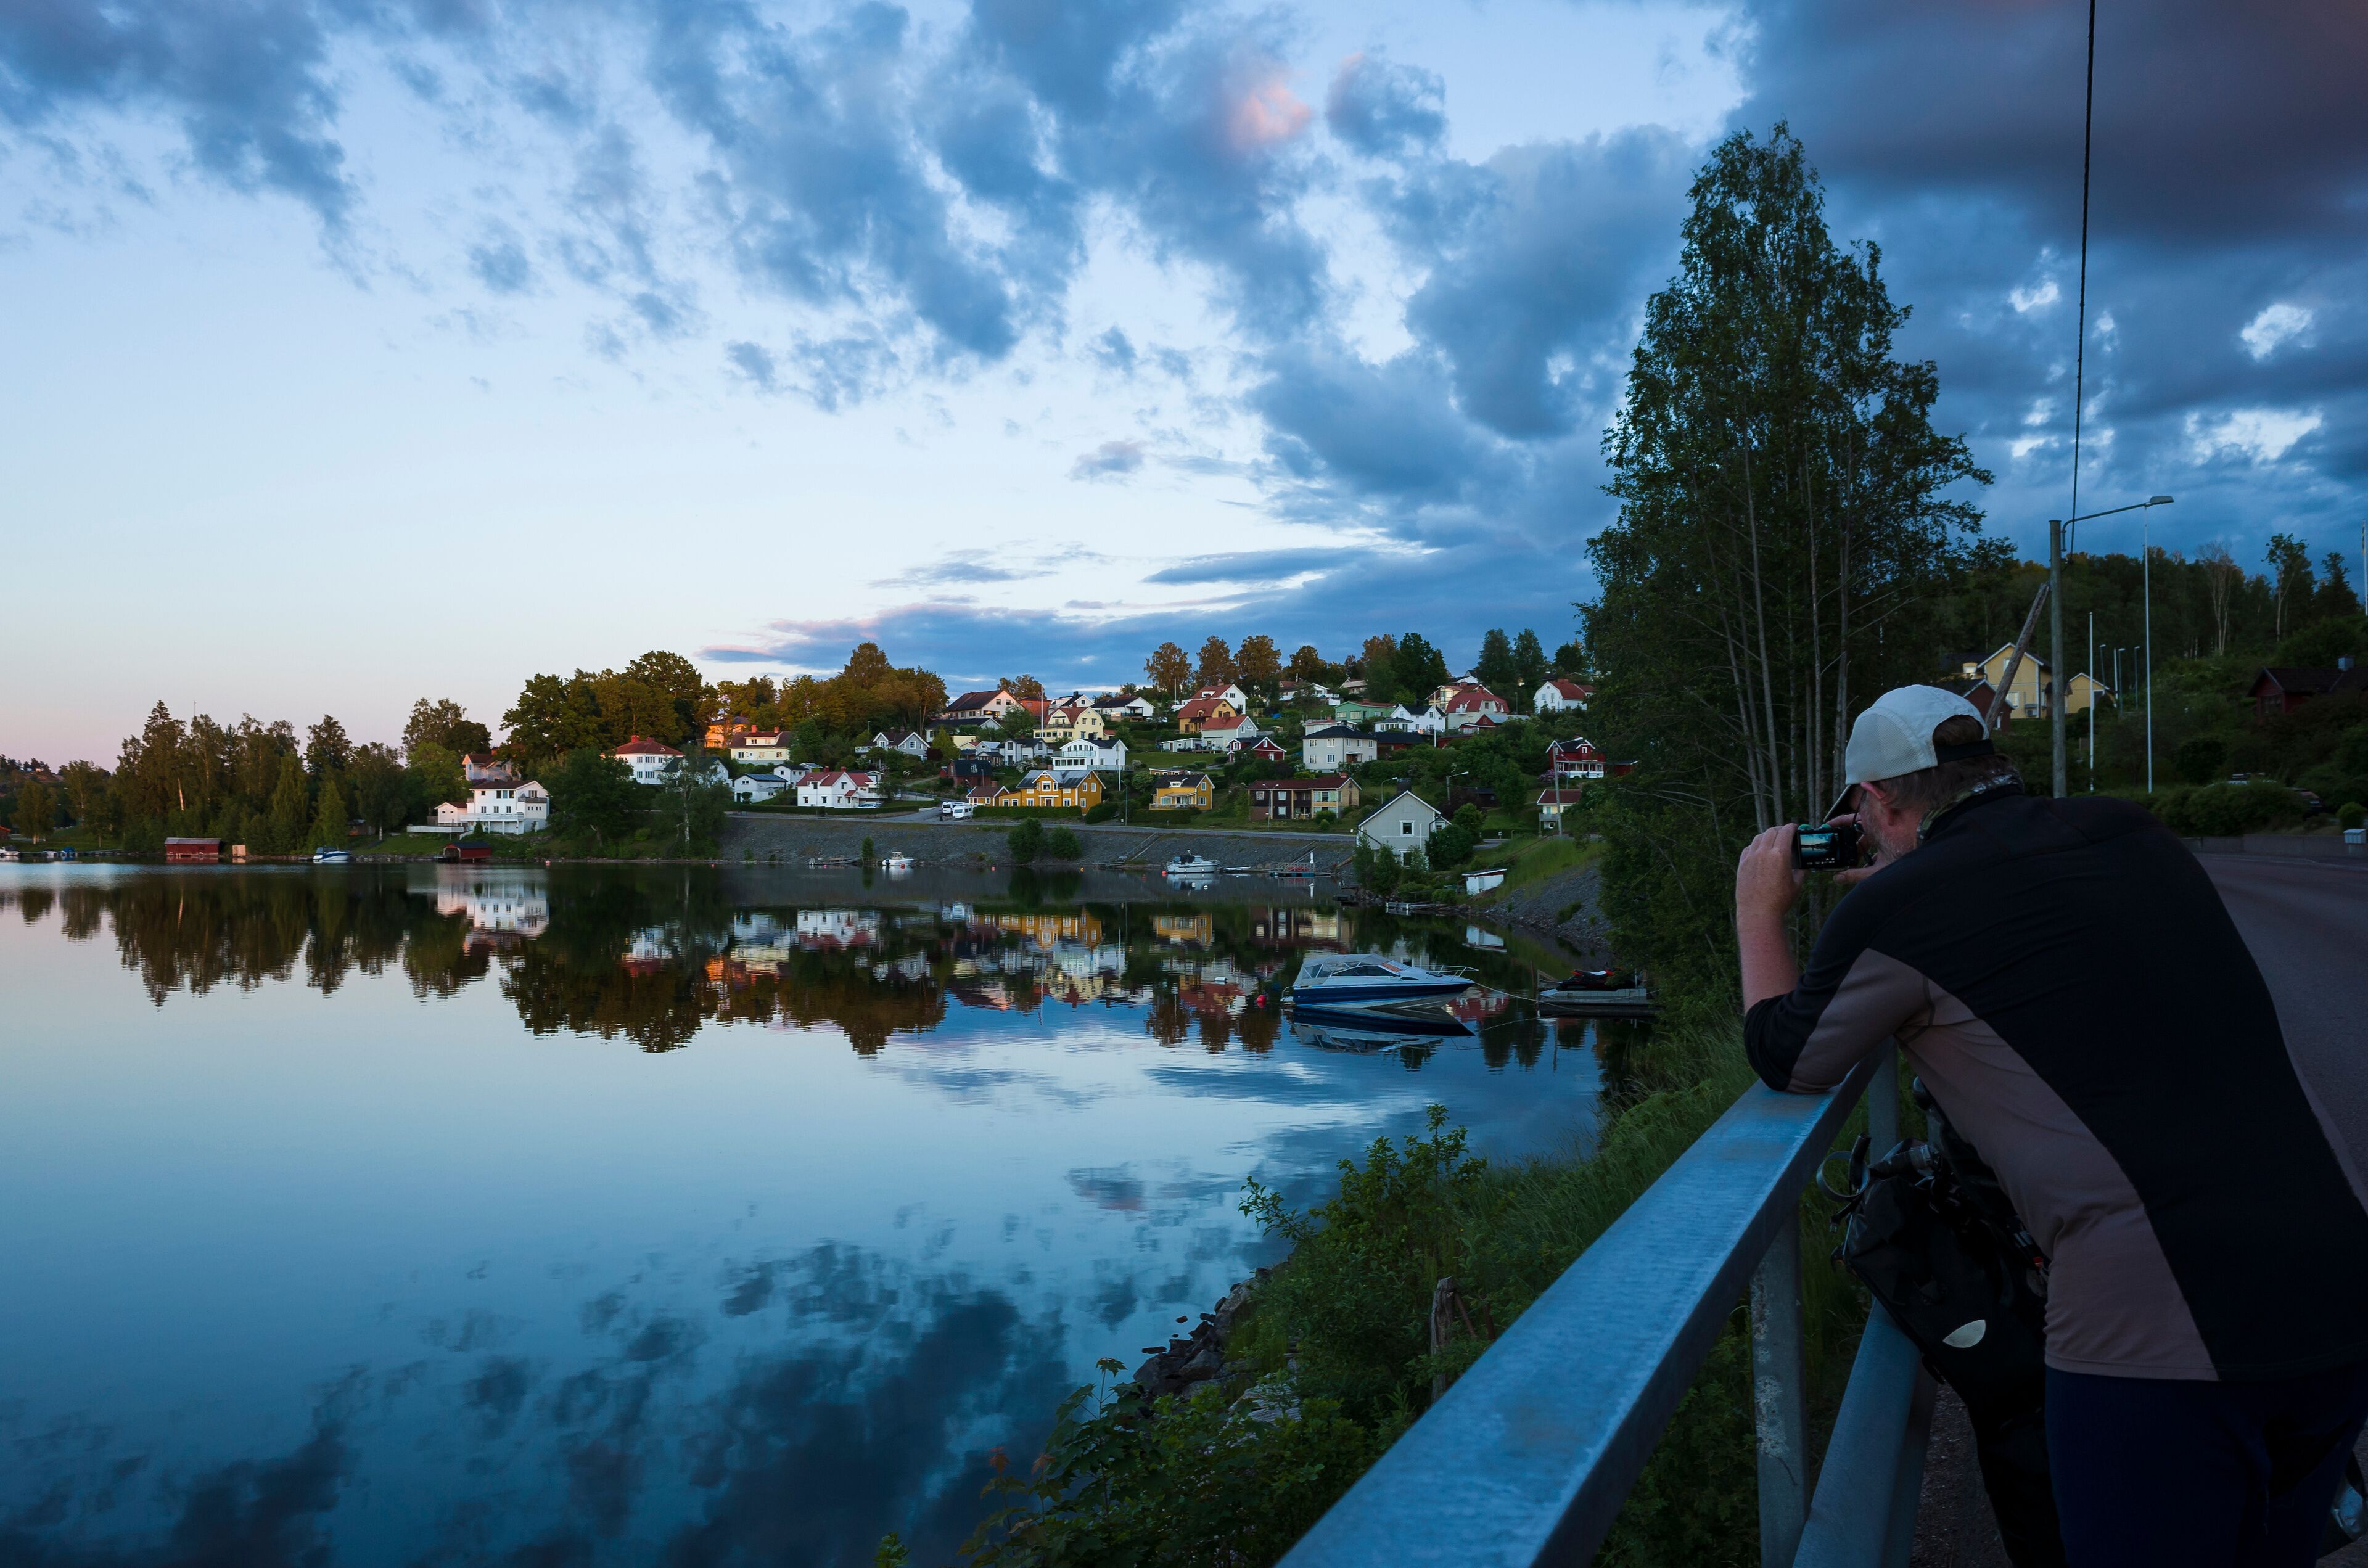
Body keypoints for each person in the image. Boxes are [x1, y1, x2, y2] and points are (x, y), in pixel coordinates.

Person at [1736, 684, 2368, 1568]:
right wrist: (1903, 875)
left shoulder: (1900, 911)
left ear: (1877, 803)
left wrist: (1758, 909)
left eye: (1863, 816)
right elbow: (2033, 914)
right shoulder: (2130, 832)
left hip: (2161, 1325)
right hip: (2337, 1271)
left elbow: (1788, 1056)